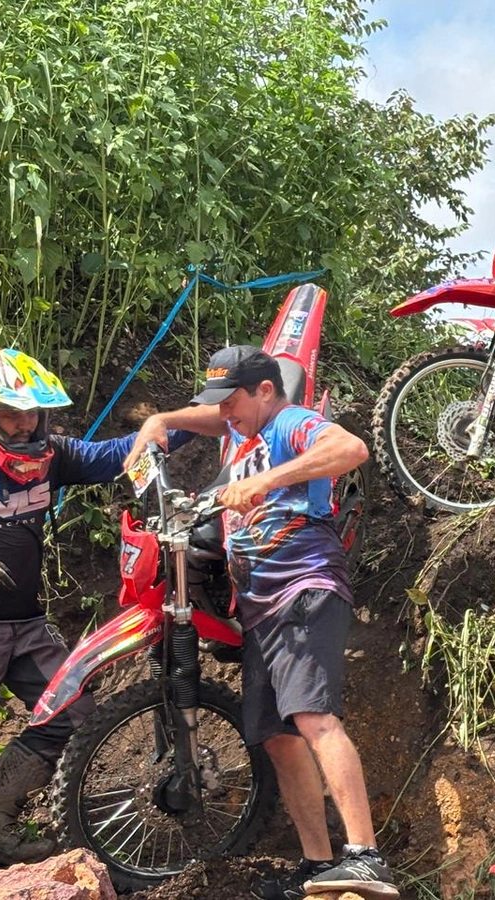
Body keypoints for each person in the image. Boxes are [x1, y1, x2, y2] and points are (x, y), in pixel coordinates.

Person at [126, 345, 397, 900]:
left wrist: (268, 481)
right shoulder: (236, 429)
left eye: (233, 401)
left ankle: (366, 857)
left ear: (266, 392)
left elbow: (350, 447)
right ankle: (316, 865)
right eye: (219, 406)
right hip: (260, 605)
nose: (225, 413)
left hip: (304, 585)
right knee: (276, 735)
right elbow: (207, 417)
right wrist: (162, 419)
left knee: (313, 717)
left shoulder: (288, 423)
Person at [0, 348, 191, 888]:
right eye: (12, 413)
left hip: (24, 621)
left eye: (34, 413)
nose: (26, 424)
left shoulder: (52, 455)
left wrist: (190, 421)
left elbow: (119, 453)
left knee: (74, 714)